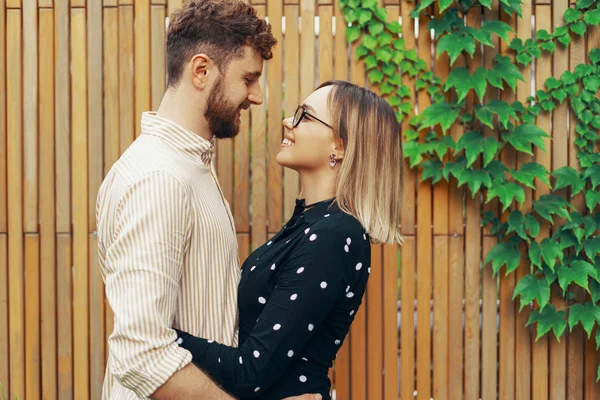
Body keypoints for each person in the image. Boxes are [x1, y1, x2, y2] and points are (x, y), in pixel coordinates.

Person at [96, 1, 319, 398]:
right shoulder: (160, 178)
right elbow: (141, 353)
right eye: (248, 79)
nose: (257, 97)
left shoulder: (188, 167)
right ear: (201, 71)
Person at [173, 80, 405, 399]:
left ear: (339, 146)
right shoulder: (310, 224)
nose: (288, 121)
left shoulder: (334, 235)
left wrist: (156, 337)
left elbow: (250, 371)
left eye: (305, 116)